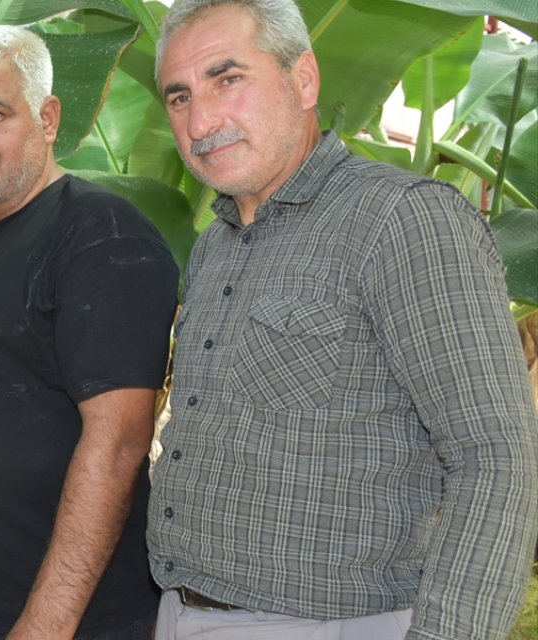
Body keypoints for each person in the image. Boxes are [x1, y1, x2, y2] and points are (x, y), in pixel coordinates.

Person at [148, 1, 538, 638]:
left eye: (228, 79)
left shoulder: (404, 221)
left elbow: (495, 457)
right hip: (185, 609)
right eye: (179, 97)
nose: (202, 119)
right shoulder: (217, 242)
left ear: (304, 79)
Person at [0, 24, 180, 640]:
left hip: (69, 621)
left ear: (48, 117)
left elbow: (119, 443)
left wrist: (46, 622)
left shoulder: (102, 237)